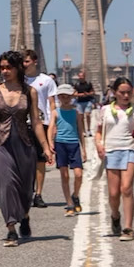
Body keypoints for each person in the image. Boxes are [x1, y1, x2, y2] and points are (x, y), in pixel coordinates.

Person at [0, 50, 51, 246]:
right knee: (5, 183)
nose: (4, 71)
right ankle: (10, 228)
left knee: (25, 186)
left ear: (18, 68)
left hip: (24, 142)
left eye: (8, 67)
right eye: (2, 67)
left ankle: (25, 215)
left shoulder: (30, 92)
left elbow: (35, 121)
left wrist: (46, 146)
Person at [94, 76, 134, 240]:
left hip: (129, 149)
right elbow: (99, 131)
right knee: (114, 193)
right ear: (115, 93)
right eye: (122, 92)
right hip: (111, 151)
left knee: (126, 188)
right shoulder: (105, 110)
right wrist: (99, 145)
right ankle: (115, 215)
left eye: (129, 92)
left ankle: (128, 228)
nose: (126, 96)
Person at [23, 49, 58, 208]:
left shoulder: (47, 81)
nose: (24, 64)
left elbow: (52, 105)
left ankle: (38, 193)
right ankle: (27, 191)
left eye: (27, 61)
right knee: (25, 161)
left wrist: (53, 125)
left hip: (41, 123)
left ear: (35, 61)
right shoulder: (19, 80)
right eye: (22, 62)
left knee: (40, 160)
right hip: (23, 123)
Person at [52, 85, 84, 214]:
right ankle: (69, 203)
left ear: (71, 97)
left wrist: (84, 149)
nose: (65, 99)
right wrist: (49, 145)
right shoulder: (56, 112)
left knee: (78, 174)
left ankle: (75, 195)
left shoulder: (76, 112)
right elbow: (50, 129)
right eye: (62, 96)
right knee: (64, 175)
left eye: (68, 96)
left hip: (74, 144)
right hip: (60, 144)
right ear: (59, 97)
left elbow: (81, 131)